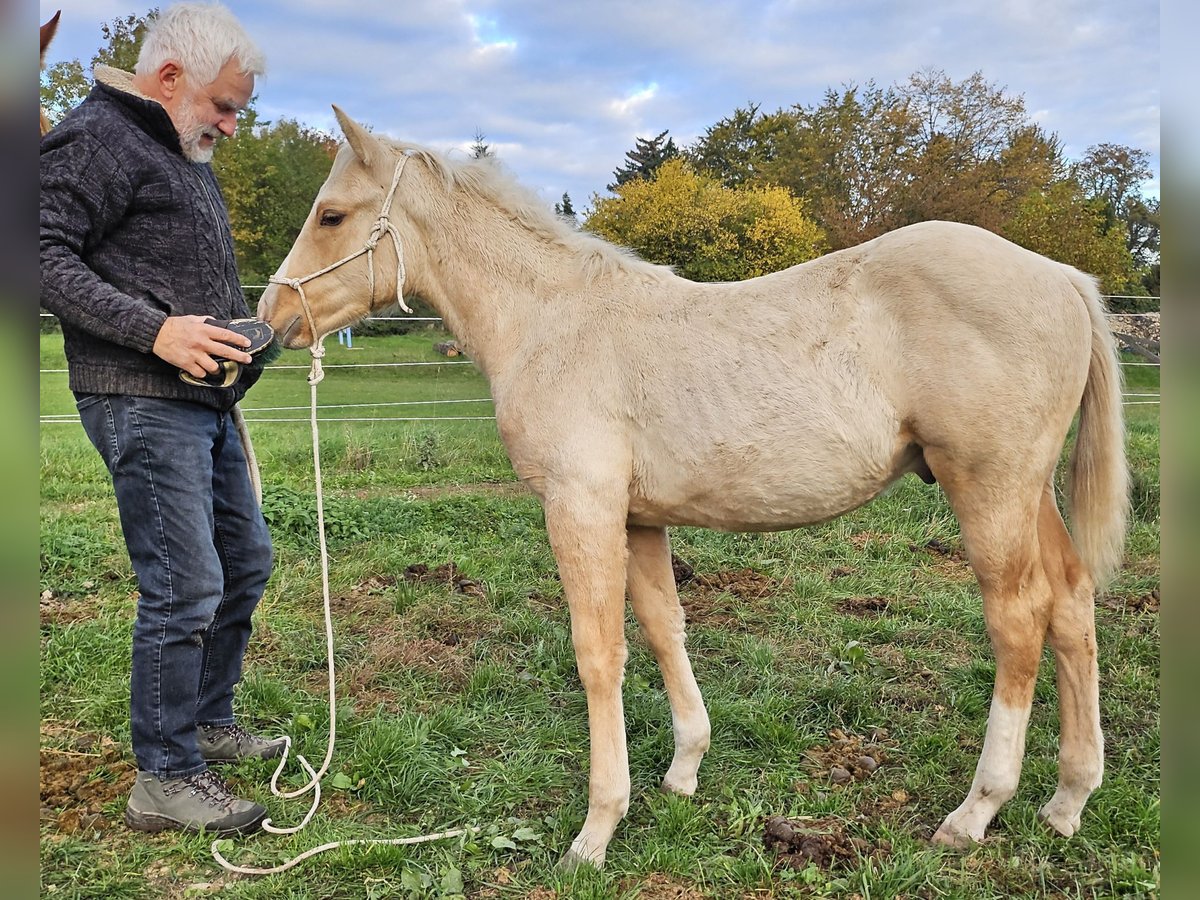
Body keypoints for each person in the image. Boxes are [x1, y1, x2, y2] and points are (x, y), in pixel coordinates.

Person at [40, 2, 285, 836]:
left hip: (202, 399)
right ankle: (165, 776)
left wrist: (242, 336)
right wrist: (156, 331)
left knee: (245, 561)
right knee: (185, 588)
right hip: (139, 400)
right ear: (171, 77)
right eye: (225, 105)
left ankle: (207, 722)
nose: (231, 123)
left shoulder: (177, 145)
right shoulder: (97, 136)